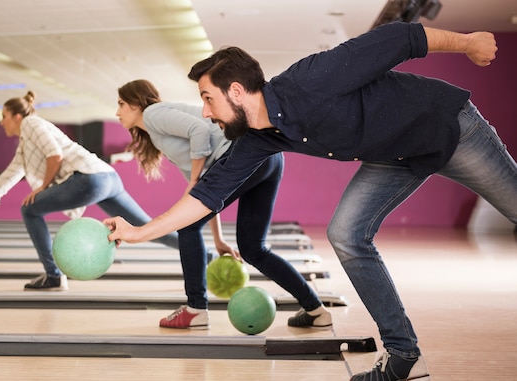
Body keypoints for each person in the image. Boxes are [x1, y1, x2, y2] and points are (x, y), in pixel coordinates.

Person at [104, 21, 515, 381]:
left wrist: (468, 42)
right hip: (395, 157)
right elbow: (206, 195)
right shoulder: (258, 137)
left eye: (208, 99)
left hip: (451, 130)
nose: (205, 113)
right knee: (346, 234)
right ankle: (405, 356)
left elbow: (401, 37)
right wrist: (140, 233)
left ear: (235, 91)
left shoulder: (309, 80)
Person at [115, 79, 332, 329]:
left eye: (121, 104)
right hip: (265, 156)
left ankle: (196, 309)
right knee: (252, 249)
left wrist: (196, 180)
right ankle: (316, 311)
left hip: (242, 154)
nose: (117, 112)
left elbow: (200, 131)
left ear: (136, 104)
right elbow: (203, 199)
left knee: (187, 228)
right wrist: (218, 239)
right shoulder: (157, 132)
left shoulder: (152, 114)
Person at [0, 90, 179, 291]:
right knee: (147, 227)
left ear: (17, 117)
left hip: (89, 179)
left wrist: (41, 187)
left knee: (30, 210)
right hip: (108, 178)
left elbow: (55, 155)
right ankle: (205, 254)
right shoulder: (24, 148)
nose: (1, 122)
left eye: (4, 116)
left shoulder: (31, 123)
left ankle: (53, 275)